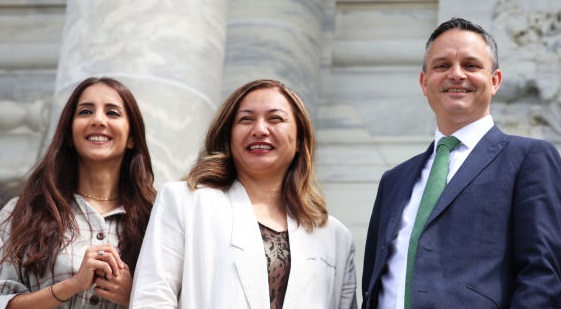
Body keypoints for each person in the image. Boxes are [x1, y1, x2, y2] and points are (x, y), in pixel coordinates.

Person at [362, 17, 561, 309]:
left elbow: (543, 276)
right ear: (424, 82)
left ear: (495, 81)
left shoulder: (530, 159)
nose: (456, 74)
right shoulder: (394, 181)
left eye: (471, 65)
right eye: (442, 66)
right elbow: (373, 283)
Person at [130, 79, 358, 308]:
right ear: (229, 138)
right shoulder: (183, 202)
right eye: (246, 120)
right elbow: (152, 298)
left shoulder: (335, 236)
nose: (259, 130)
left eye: (275, 118)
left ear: (299, 140)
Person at [0, 77, 156, 308]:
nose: (98, 120)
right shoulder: (24, 212)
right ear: (70, 134)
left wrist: (133, 297)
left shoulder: (156, 217)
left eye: (112, 113)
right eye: (85, 112)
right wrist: (72, 285)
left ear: (132, 137)